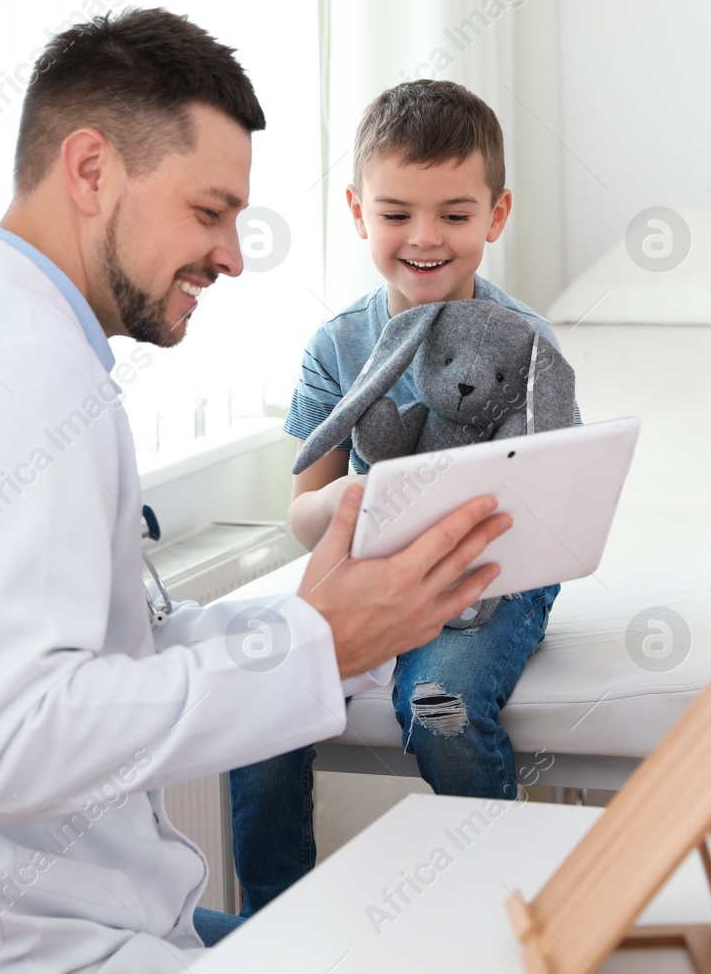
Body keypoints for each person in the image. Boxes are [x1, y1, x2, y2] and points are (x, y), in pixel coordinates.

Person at [0, 10, 511, 973]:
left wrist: (321, 622)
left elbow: (96, 663)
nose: (233, 254)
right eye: (209, 212)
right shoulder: (11, 372)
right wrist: (313, 644)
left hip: (10, 907)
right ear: (90, 171)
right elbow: (11, 745)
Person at [229, 80, 577, 914]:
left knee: (440, 703)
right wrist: (361, 496)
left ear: (496, 216)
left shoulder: (526, 343)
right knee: (256, 699)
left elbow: (559, 498)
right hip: (364, 567)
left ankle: (499, 915)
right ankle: (278, 921)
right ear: (356, 211)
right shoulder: (338, 344)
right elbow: (302, 511)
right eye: (396, 215)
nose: (424, 239)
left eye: (455, 216)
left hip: (487, 579)